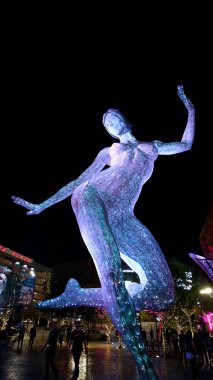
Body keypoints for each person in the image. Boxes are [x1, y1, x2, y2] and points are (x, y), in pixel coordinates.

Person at [11, 85, 195, 380]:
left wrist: (191, 110)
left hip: (124, 216)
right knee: (113, 277)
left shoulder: (151, 147)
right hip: (92, 199)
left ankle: (78, 295)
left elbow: (186, 145)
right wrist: (43, 204)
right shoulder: (110, 151)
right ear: (108, 132)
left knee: (163, 293)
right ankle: (146, 369)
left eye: (113, 118)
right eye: (106, 123)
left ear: (124, 119)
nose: (110, 123)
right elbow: (79, 180)